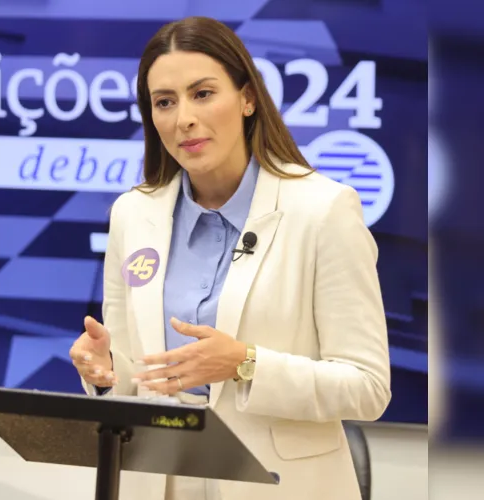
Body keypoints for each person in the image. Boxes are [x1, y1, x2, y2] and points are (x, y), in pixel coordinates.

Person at [68, 16, 391, 500]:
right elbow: (135, 376)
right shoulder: (132, 213)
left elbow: (367, 387)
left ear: (247, 98)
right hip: (159, 480)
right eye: (165, 102)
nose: (184, 119)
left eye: (202, 93)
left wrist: (246, 363)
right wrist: (106, 372)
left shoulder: (324, 210)